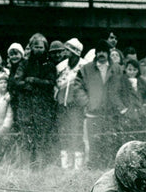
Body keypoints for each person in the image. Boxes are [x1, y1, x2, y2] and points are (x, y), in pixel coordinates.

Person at [73, 39, 131, 169]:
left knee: (111, 144)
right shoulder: (86, 69)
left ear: (108, 53)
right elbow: (77, 87)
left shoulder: (117, 69)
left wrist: (123, 107)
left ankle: (109, 170)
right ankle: (93, 171)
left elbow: (125, 88)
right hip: (93, 115)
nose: (101, 54)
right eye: (99, 51)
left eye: (104, 51)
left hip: (112, 114)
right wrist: (87, 103)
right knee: (93, 145)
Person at [11, 33, 57, 166]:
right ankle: (26, 166)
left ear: (45, 48)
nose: (38, 50)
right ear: (31, 47)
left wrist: (34, 80)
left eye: (41, 47)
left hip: (43, 108)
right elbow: (17, 80)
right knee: (27, 138)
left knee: (41, 138)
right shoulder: (24, 64)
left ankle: (40, 166)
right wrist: (29, 86)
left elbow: (51, 83)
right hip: (26, 107)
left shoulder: (49, 65)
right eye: (35, 46)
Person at [55, 38, 86, 169]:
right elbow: (56, 85)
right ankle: (65, 165)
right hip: (62, 105)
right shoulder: (60, 66)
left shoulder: (84, 66)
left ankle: (78, 165)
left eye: (67, 50)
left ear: (75, 52)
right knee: (64, 133)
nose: (64, 52)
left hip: (76, 106)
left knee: (77, 133)